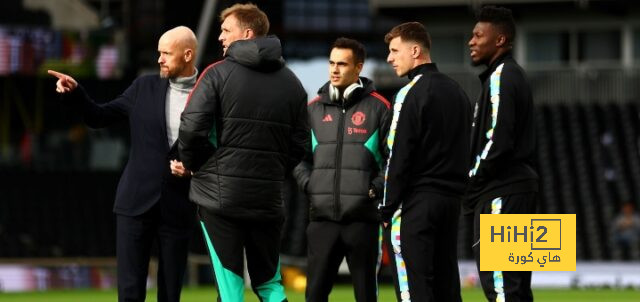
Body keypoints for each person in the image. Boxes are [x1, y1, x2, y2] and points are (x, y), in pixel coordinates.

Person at [48, 26, 199, 302]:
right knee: (129, 293)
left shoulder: (209, 94)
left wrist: (195, 170)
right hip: (134, 203)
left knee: (170, 295)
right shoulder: (143, 87)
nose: (159, 59)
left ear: (188, 54)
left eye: (166, 53)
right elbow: (99, 116)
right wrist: (76, 93)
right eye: (158, 53)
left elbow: (220, 148)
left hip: (179, 206)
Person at [176, 3, 308, 302]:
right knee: (269, 284)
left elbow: (192, 128)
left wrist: (196, 166)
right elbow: (300, 143)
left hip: (220, 198)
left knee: (230, 288)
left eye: (225, 30)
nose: (220, 37)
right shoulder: (292, 84)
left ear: (247, 34)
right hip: (268, 198)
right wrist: (274, 171)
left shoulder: (216, 74)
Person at [293, 37, 391, 302]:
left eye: (342, 64)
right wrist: (310, 184)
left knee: (366, 296)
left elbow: (394, 161)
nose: (334, 69)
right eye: (331, 63)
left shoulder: (380, 108)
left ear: (358, 68)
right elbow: (297, 158)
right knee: (314, 295)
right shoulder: (312, 111)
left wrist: (373, 190)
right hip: (321, 220)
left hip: (363, 221)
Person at [380, 22, 470, 302]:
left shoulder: (409, 94)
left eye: (395, 51)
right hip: (450, 203)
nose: (389, 58)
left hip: (416, 204)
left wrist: (386, 207)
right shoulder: (459, 93)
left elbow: (398, 156)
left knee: (414, 289)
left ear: (415, 50)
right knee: (446, 287)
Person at [466, 6, 539, 302]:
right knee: (517, 288)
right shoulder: (511, 75)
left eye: (478, 35)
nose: (471, 41)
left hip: (501, 193)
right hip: (519, 190)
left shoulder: (502, 76)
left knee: (501, 287)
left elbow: (498, 141)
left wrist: (470, 180)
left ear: (500, 40)